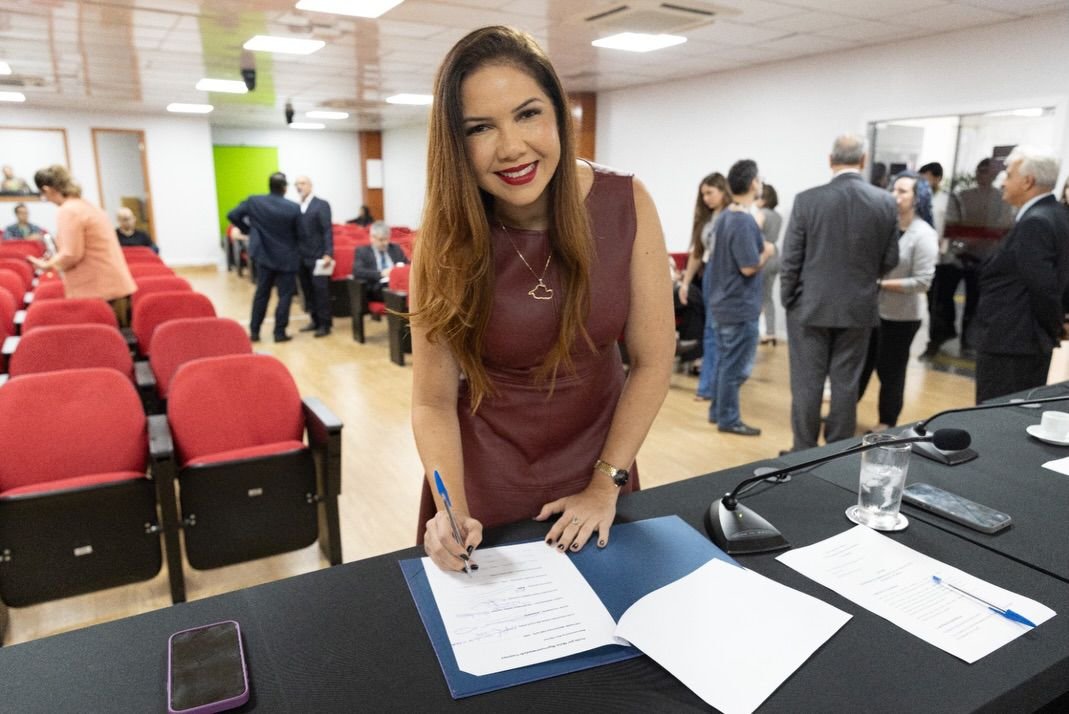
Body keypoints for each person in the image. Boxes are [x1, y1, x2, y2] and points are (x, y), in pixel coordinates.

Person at [413, 26, 673, 573]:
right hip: (482, 481)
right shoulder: (444, 235)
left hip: (603, 468)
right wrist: (451, 507)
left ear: (559, 114)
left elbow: (652, 361)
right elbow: (433, 400)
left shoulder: (626, 202)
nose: (511, 148)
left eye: (528, 114)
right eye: (480, 128)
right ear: (455, 144)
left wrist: (606, 485)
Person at [780, 134, 898, 451]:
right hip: (858, 306)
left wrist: (788, 298)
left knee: (807, 383)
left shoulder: (807, 200)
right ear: (863, 160)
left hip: (809, 305)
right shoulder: (885, 201)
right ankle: (838, 451)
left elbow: (790, 258)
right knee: (846, 383)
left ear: (830, 160)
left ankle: (802, 450)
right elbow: (891, 259)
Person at [974, 147, 1069, 403]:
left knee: (996, 420)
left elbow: (1043, 286)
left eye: (1008, 173)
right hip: (1025, 341)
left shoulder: (1036, 222)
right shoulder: (1057, 215)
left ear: (1028, 181)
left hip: (1013, 344)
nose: (1002, 180)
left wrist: (1052, 326)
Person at [858, 172, 938, 430]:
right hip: (873, 311)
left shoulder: (923, 234)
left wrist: (881, 285)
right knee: (862, 364)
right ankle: (845, 413)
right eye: (894, 189)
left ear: (918, 198)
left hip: (903, 317)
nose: (896, 195)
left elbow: (923, 282)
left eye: (903, 191)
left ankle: (886, 422)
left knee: (891, 371)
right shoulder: (886, 226)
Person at [706, 159, 774, 434]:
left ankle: (717, 412)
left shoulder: (724, 216)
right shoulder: (743, 221)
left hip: (723, 303)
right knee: (736, 369)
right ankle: (728, 419)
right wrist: (767, 251)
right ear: (753, 182)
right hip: (739, 305)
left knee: (725, 362)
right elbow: (748, 266)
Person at [927, 157, 1015, 359]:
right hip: (956, 258)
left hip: (984, 258)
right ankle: (941, 334)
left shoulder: (1001, 199)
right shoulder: (962, 196)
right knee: (942, 299)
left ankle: (969, 341)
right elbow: (952, 224)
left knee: (974, 302)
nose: (982, 175)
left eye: (987, 171)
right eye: (980, 170)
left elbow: (1003, 227)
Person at [26, 165, 136, 324]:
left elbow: (71, 254)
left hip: (99, 291)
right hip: (115, 287)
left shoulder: (68, 210)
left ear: (47, 189)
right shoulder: (86, 206)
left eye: (43, 195)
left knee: (99, 343)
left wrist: (47, 264)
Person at [227, 172, 301, 343]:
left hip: (264, 255)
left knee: (262, 294)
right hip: (287, 257)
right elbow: (300, 233)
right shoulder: (293, 207)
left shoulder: (255, 201)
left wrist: (247, 230)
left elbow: (232, 215)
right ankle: (279, 333)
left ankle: (254, 331)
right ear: (284, 188)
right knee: (285, 296)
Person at [678, 173, 730, 400]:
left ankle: (720, 387)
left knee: (723, 334)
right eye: (703, 194)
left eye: (710, 193)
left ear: (723, 190)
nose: (706, 198)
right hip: (710, 276)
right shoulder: (707, 220)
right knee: (711, 332)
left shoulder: (734, 216)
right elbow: (697, 253)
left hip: (729, 279)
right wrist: (685, 283)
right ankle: (707, 388)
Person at [293, 175, 334, 337]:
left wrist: (328, 253)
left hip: (318, 256)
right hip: (301, 257)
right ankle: (314, 320)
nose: (299, 186)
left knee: (321, 291)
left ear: (310, 185)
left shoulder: (321, 205)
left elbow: (327, 230)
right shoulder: (297, 207)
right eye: (297, 184)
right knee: (307, 290)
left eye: (302, 183)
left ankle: (325, 324)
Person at [352, 220, 406, 302]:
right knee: (396, 294)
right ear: (372, 238)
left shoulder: (395, 248)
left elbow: (406, 264)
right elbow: (357, 271)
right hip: (378, 285)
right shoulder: (362, 251)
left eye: (387, 239)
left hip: (397, 283)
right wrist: (381, 273)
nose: (385, 243)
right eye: (381, 240)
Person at [756, 183, 782, 346]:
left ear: (764, 199)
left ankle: (757, 330)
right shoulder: (777, 216)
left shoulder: (761, 214)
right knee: (768, 296)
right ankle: (771, 332)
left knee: (759, 296)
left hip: (763, 256)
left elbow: (754, 234)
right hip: (775, 255)